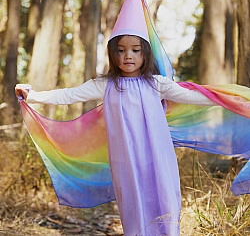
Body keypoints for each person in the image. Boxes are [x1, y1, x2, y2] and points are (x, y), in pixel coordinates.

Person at [15, 33, 216, 235]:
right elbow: (69, 94)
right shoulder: (106, 84)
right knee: (133, 205)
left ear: (145, 54)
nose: (128, 55)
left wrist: (230, 100)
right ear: (113, 54)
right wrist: (33, 96)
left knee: (164, 200)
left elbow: (192, 96)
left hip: (157, 157)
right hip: (125, 161)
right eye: (121, 50)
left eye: (135, 50)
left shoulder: (157, 84)